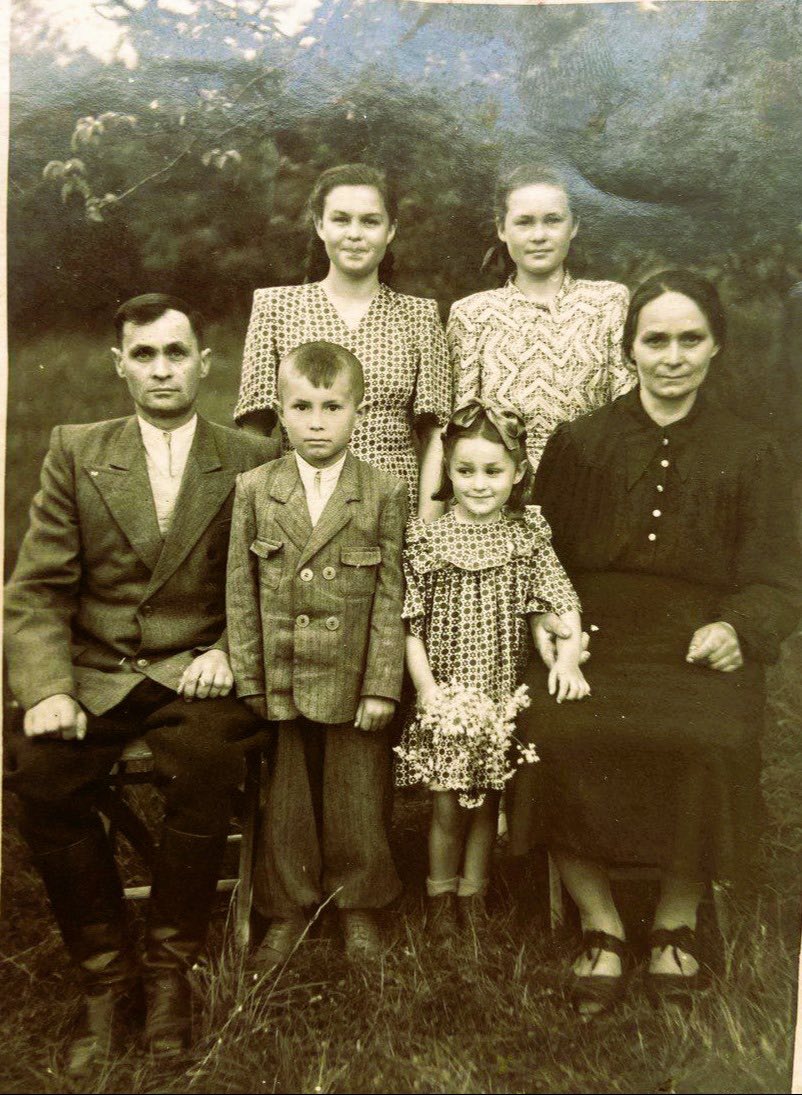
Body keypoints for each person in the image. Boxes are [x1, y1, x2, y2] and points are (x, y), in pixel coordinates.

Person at [506, 270, 802, 1017]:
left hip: (697, 640)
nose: (673, 357)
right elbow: (538, 554)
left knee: (709, 736)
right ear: (629, 348)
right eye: (656, 340)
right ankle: (600, 923)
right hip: (589, 637)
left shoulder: (753, 450)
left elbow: (779, 574)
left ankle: (676, 918)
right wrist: (551, 624)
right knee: (557, 731)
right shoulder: (581, 443)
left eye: (690, 339)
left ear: (716, 346)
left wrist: (741, 628)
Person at [3, 294, 278, 1073]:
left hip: (196, 674)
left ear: (204, 363)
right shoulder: (77, 449)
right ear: (119, 364)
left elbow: (270, 580)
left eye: (176, 352)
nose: (162, 369)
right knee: (41, 772)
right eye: (145, 354)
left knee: (209, 764)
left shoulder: (251, 458)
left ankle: (167, 971)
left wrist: (229, 648)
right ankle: (104, 974)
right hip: (96, 672)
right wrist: (48, 687)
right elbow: (36, 590)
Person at [226, 340, 408, 970]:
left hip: (353, 676)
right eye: (302, 407)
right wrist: (251, 678)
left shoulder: (383, 492)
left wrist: (381, 684)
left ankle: (359, 904)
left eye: (333, 407)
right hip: (282, 670)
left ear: (359, 411)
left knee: (358, 792)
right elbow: (240, 591)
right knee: (287, 797)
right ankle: (287, 908)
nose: (317, 422)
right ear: (280, 412)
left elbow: (392, 597)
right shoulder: (256, 489)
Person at [393, 399, 587, 943]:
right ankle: (439, 894)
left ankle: (474, 893)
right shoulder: (426, 540)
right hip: (447, 695)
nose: (479, 484)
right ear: (448, 471)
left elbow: (563, 601)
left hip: (500, 693)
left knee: (486, 802)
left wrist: (567, 657)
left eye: (493, 471)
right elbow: (410, 625)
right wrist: (427, 690)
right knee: (446, 804)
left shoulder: (526, 536)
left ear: (518, 473)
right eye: (465, 471)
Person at [234, 162, 452, 519]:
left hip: (393, 504)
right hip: (301, 502)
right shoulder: (275, 307)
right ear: (320, 225)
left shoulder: (420, 316)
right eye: (341, 219)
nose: (354, 234)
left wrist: (427, 531)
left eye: (370, 221)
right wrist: (263, 516)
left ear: (390, 230)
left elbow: (435, 436)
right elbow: (254, 432)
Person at [448, 163, 632, 472]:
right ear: (502, 229)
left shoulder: (609, 302)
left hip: (592, 482)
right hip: (503, 490)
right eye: (524, 222)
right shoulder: (472, 314)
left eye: (552, 220)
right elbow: (462, 428)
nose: (539, 236)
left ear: (573, 225)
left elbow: (627, 413)